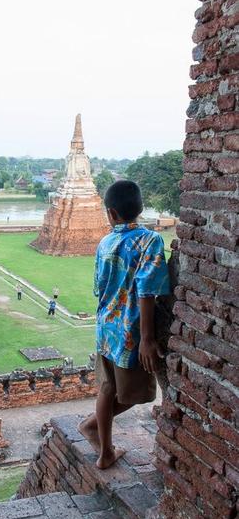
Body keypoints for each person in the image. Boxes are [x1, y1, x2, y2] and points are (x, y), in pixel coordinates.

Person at [78, 180, 170, 469]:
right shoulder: (149, 240)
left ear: (111, 213)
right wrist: (146, 337)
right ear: (140, 208)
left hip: (106, 325)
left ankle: (103, 448)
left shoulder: (105, 243)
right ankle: (95, 432)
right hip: (131, 331)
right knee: (136, 393)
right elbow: (147, 289)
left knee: (107, 388)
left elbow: (98, 286)